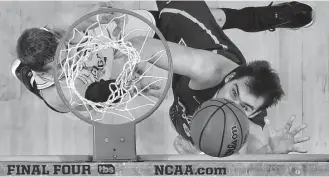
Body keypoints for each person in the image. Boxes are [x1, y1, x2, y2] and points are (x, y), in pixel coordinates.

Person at [144, 0, 314, 155]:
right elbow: (139, 46)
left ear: (254, 113)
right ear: (229, 78)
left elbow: (249, 152)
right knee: (200, 19)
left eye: (245, 108)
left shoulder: (244, 119)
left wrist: (270, 152)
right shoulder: (206, 69)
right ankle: (267, 16)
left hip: (195, 75)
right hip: (187, 29)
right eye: (233, 93)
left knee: (213, 20)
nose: (230, 105)